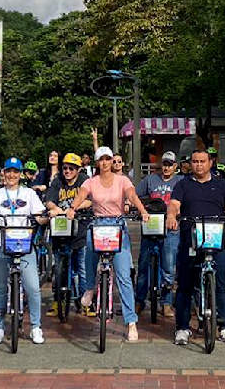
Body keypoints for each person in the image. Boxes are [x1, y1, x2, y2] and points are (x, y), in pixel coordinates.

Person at [66, 145, 151, 342]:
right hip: (98, 224)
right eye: (101, 159)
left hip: (117, 225)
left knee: (123, 275)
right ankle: (89, 287)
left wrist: (142, 210)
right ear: (97, 162)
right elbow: (81, 196)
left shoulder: (122, 180)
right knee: (88, 251)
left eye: (108, 159)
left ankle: (131, 322)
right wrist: (72, 208)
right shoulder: (90, 182)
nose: (105, 163)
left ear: (112, 161)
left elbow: (132, 195)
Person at [168, 147, 225, 345]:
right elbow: (174, 204)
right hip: (191, 239)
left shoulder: (221, 184)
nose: (199, 165)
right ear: (190, 164)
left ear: (210, 163)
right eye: (195, 161)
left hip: (217, 239)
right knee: (185, 284)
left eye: (203, 161)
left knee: (220, 283)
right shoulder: (183, 184)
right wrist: (171, 215)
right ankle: (182, 328)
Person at [0, 157, 49, 344]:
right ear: (3, 173)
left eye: (15, 172)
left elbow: (40, 216)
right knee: (0, 288)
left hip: (23, 246)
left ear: (21, 174)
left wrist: (46, 217)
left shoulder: (29, 194)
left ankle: (35, 327)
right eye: (8, 171)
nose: (11, 175)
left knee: (32, 287)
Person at [135, 150, 182, 316]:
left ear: (175, 166)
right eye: (164, 164)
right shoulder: (150, 179)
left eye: (170, 164)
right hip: (151, 226)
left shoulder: (181, 181)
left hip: (171, 227)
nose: (167, 167)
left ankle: (166, 302)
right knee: (143, 265)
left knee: (168, 267)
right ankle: (139, 301)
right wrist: (130, 203)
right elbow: (135, 195)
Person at [44, 152, 91, 312]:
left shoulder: (84, 181)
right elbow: (49, 200)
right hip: (61, 231)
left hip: (80, 230)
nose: (68, 171)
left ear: (78, 169)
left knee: (82, 268)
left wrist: (74, 208)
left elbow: (90, 200)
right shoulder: (58, 181)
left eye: (72, 168)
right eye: (65, 168)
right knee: (59, 268)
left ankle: (86, 303)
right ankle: (57, 300)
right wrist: (55, 208)